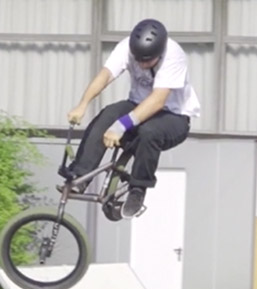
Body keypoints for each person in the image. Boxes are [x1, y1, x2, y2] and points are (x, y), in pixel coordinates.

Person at [60, 18, 201, 218]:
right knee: (108, 113)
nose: (142, 64)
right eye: (138, 59)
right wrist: (83, 104)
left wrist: (122, 125)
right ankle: (81, 174)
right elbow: (105, 76)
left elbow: (158, 100)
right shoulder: (126, 48)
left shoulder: (173, 55)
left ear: (159, 53)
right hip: (137, 105)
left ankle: (138, 189)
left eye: (147, 60)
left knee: (149, 132)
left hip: (174, 116)